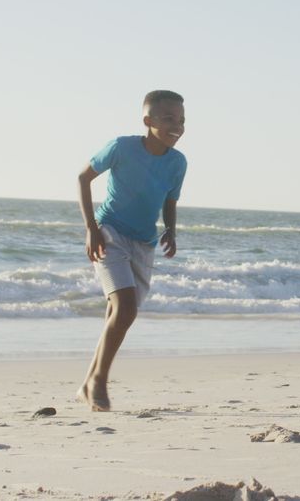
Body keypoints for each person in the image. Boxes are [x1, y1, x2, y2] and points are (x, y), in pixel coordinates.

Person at [76, 90, 188, 411]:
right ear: (148, 121)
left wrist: (171, 229)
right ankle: (99, 381)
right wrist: (91, 228)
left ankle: (88, 382)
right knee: (125, 309)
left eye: (181, 121)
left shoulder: (177, 163)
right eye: (169, 119)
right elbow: (83, 178)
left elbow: (170, 200)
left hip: (143, 243)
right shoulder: (122, 148)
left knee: (119, 315)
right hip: (109, 232)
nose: (177, 126)